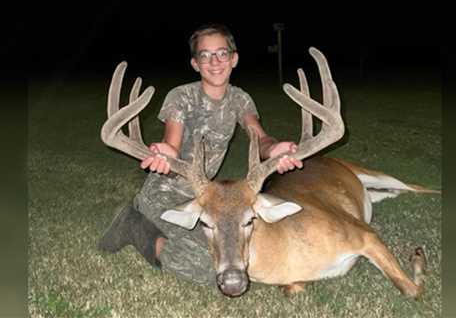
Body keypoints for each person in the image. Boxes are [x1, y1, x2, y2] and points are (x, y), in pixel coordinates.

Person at [98, 23, 303, 285]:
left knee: (236, 246)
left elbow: (260, 138)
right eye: (205, 55)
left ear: (234, 58)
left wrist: (273, 149)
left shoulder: (240, 99)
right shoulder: (181, 97)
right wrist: (166, 155)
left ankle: (151, 225)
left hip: (209, 199)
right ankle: (133, 225)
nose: (214, 61)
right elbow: (171, 144)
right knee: (207, 266)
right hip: (165, 193)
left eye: (221, 53)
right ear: (195, 63)